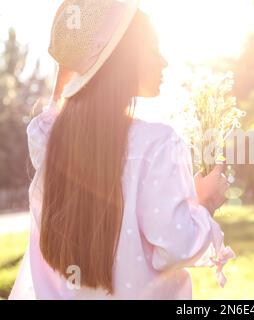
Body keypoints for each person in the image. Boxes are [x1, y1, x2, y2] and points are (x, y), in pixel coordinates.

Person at [9, 0, 234, 300]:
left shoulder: (53, 141)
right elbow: (176, 246)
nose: (164, 61)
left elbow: (54, 110)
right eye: (154, 49)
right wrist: (205, 203)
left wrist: (78, 63)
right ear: (123, 60)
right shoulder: (158, 143)